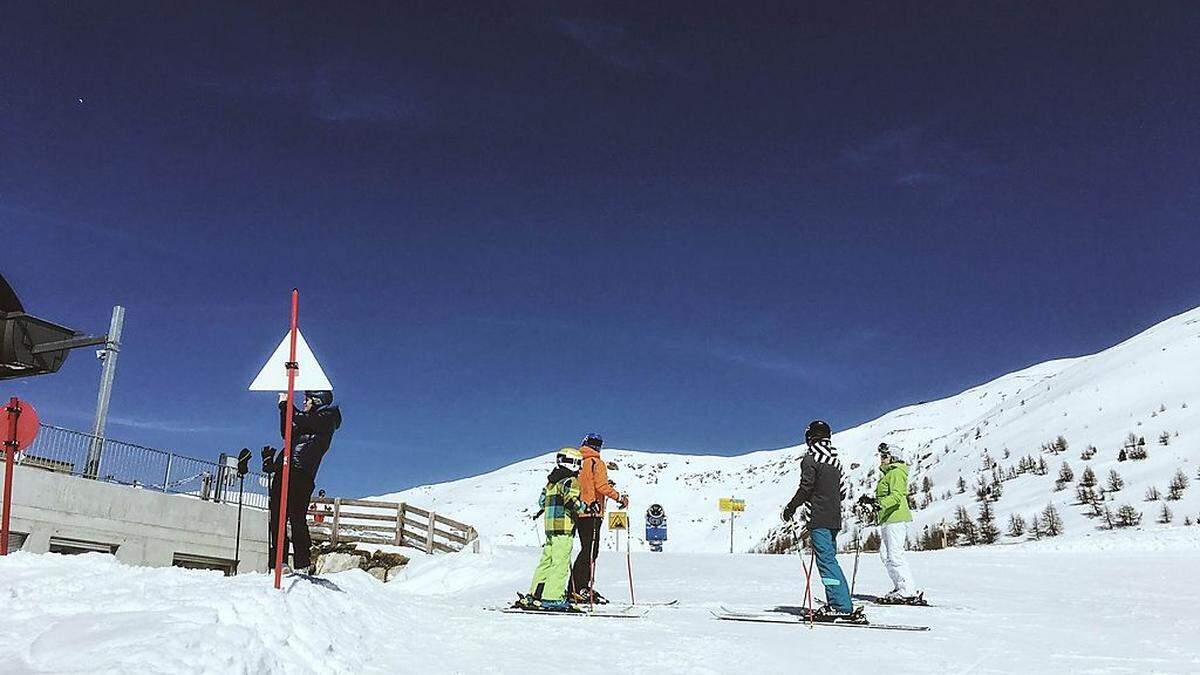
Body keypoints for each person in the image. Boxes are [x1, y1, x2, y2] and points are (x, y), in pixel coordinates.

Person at [781, 420, 861, 621]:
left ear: (810, 437)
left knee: (826, 562)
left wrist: (791, 507)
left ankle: (841, 606)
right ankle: (838, 601)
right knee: (830, 559)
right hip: (834, 518)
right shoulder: (835, 461)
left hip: (818, 517)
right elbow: (842, 493)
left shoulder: (810, 459)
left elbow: (806, 487)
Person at [264, 390, 342, 574]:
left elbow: (298, 417)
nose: (304, 402)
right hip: (286, 469)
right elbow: (287, 432)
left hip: (300, 472)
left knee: (295, 516)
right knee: (277, 515)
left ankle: (302, 561)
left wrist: (286, 403)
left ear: (317, 401)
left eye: (307, 399)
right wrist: (282, 409)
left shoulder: (326, 418)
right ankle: (279, 562)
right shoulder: (310, 421)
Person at [515, 447, 586, 611]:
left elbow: (541, 502)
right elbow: (572, 502)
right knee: (560, 562)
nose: (581, 468)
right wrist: (586, 508)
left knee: (546, 561)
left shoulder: (551, 483)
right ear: (573, 463)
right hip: (564, 528)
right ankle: (553, 597)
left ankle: (535, 595)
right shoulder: (571, 481)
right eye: (579, 464)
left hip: (550, 528)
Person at [569, 433, 628, 604]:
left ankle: (576, 586)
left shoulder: (578, 462)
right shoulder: (597, 462)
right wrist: (619, 497)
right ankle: (579, 587)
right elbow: (600, 486)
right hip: (593, 513)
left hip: (579, 512)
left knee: (586, 549)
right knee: (591, 551)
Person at [867, 442, 920, 602]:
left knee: (895, 555)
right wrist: (871, 501)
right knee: (885, 555)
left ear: (893, 457)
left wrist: (879, 504)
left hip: (895, 518)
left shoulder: (896, 472)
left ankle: (907, 590)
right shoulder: (888, 474)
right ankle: (900, 587)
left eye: (885, 456)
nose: (881, 459)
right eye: (881, 456)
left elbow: (897, 496)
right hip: (887, 518)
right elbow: (885, 497)